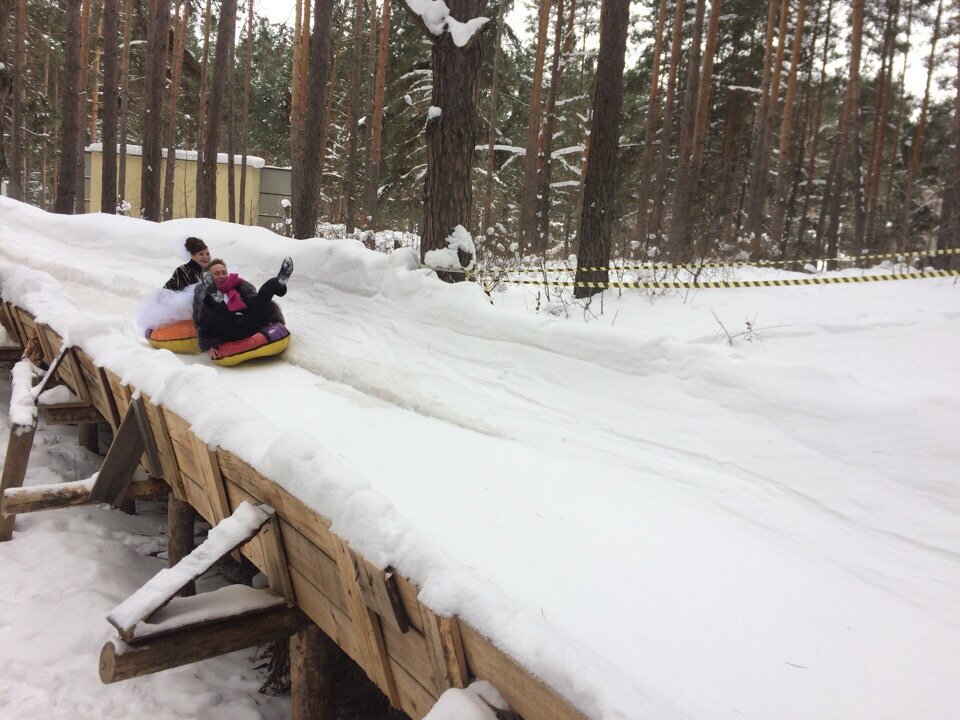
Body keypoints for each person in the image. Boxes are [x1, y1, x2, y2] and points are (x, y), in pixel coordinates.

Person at [193, 256, 294, 352]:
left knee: (261, 297)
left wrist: (273, 319)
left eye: (224, 273)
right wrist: (209, 343)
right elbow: (201, 319)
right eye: (217, 274)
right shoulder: (202, 292)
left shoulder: (238, 285)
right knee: (213, 305)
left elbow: (257, 303)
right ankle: (214, 295)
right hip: (227, 329)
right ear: (209, 278)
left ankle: (278, 282)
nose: (222, 276)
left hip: (248, 322)